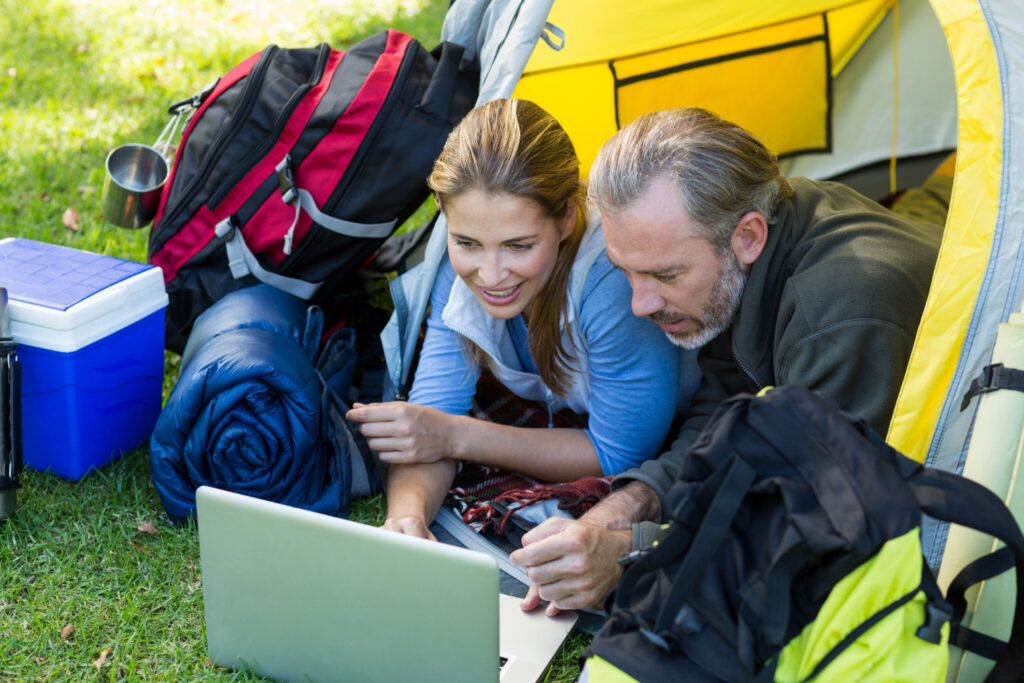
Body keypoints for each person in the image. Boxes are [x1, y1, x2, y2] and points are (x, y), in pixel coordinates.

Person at [510, 107, 947, 615]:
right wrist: (616, 514)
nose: (640, 304)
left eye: (665, 275)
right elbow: (721, 419)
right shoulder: (746, 256)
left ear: (748, 237)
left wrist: (629, 552)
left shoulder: (841, 314)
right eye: (625, 272)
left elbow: (815, 525)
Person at [347, 99, 698, 541]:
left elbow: (618, 452)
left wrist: (457, 436)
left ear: (567, 216)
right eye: (468, 242)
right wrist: (407, 517)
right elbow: (428, 423)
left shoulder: (608, 281)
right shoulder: (454, 274)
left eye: (518, 246)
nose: (490, 276)